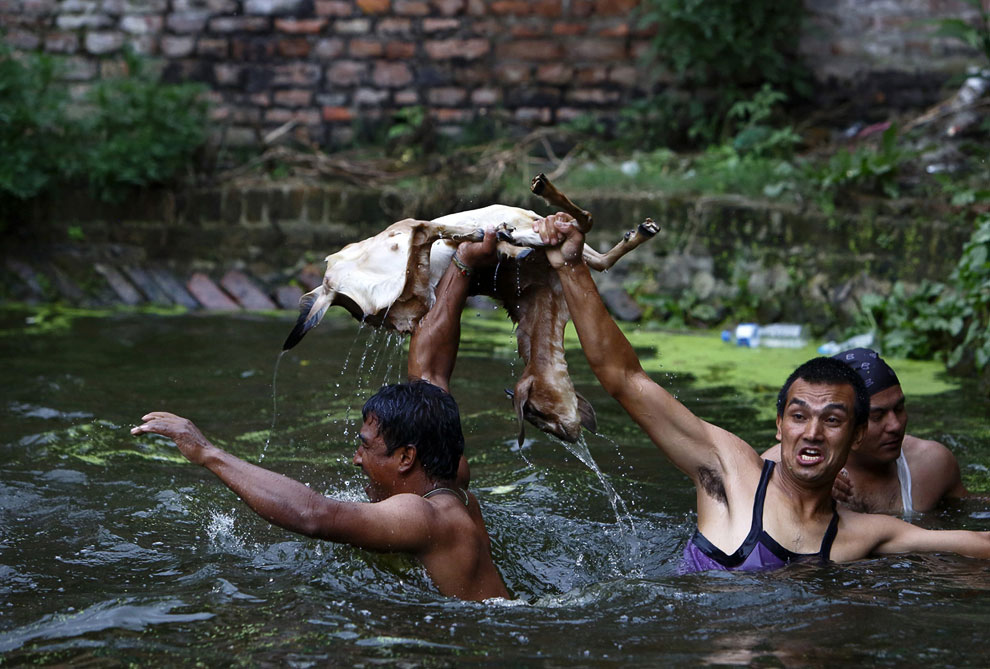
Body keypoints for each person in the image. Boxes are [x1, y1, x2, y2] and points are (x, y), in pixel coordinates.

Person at [534, 211, 990, 572]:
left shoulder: (864, 535)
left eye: (831, 419)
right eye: (798, 415)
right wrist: (571, 266)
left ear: (854, 439)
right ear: (779, 424)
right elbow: (624, 377)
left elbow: (972, 545)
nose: (811, 432)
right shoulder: (732, 474)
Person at [131, 232, 509, 601]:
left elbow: (313, 514)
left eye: (366, 446)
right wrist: (463, 264)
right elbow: (431, 373)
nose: (356, 458)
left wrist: (206, 452)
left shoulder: (422, 517)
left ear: (407, 457)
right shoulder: (449, 477)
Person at [762, 348, 968, 515]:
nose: (895, 425)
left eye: (899, 409)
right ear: (852, 426)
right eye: (877, 416)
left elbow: (973, 513)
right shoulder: (776, 471)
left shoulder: (932, 465)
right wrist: (808, 485)